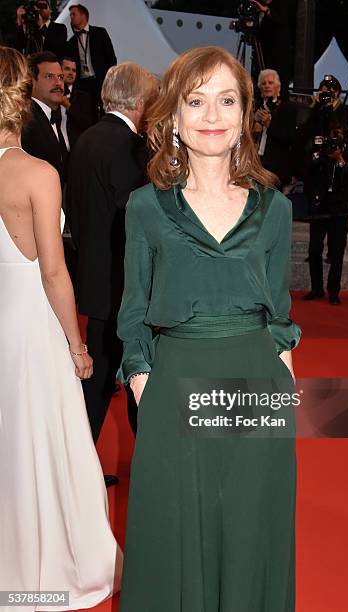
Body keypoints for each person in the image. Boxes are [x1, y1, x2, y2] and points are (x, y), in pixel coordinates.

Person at [117, 46, 301, 611]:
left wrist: (284, 383)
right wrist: (144, 379)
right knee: (177, 534)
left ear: (245, 114)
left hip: (254, 381)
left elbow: (279, 315)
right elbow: (132, 310)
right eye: (196, 101)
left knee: (250, 528)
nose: (212, 114)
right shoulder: (146, 207)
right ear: (172, 116)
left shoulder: (273, 209)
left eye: (227, 100)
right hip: (176, 381)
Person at [0, 46, 121, 609]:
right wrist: (77, 345)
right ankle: (43, 569)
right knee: (43, 443)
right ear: (20, 97)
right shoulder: (36, 173)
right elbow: (53, 271)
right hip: (28, 328)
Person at [67, 63, 158, 454]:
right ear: (139, 101)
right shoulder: (125, 146)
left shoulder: (87, 138)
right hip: (122, 286)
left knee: (99, 383)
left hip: (96, 278)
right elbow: (136, 218)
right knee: (133, 380)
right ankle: (153, 470)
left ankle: (77, 471)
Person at [303, 123, 348, 305]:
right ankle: (316, 288)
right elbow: (308, 171)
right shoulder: (320, 150)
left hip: (341, 209)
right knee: (314, 249)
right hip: (321, 207)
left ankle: (334, 291)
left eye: (339, 134)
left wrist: (340, 160)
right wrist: (321, 156)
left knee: (337, 252)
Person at [22, 51, 81, 185]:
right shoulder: (26, 121)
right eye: (49, 77)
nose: (58, 83)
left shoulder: (52, 117)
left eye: (60, 77)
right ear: (32, 82)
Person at [67, 3, 117, 122]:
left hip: (100, 80)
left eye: (74, 14)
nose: (71, 17)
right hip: (82, 83)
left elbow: (111, 58)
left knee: (104, 111)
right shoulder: (72, 41)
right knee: (86, 113)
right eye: (70, 15)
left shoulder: (100, 33)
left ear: (83, 15)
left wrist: (107, 79)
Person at [253, 68, 297, 188]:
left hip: (276, 167)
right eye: (263, 83)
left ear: (278, 87)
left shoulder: (287, 109)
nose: (267, 86)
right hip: (256, 164)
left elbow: (290, 138)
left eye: (270, 83)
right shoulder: (255, 108)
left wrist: (269, 124)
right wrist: (253, 124)